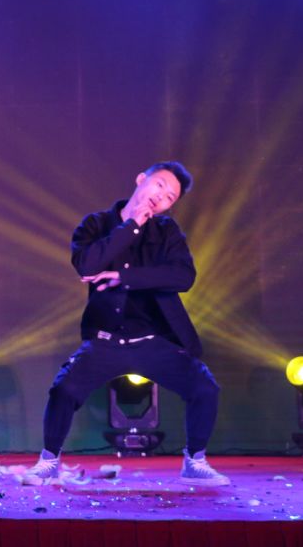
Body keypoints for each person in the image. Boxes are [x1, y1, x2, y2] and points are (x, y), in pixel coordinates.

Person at [22, 162, 229, 487]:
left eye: (170, 197)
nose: (161, 197)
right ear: (141, 179)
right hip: (106, 339)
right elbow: (87, 264)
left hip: (153, 340)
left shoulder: (166, 232)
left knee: (204, 388)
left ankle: (195, 460)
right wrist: (131, 226)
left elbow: (183, 276)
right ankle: (49, 462)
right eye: (159, 185)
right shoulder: (96, 224)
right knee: (64, 390)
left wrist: (125, 277)